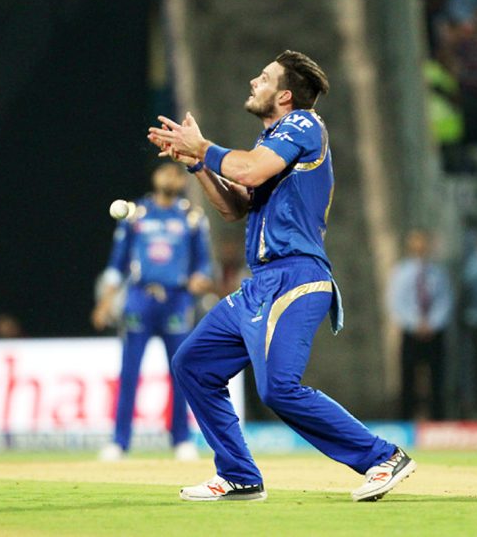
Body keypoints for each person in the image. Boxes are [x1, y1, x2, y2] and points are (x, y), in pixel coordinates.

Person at [147, 50, 415, 502]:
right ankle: (238, 475)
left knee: (278, 388)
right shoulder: (272, 141)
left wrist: (204, 147)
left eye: (265, 77)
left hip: (297, 277)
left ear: (285, 95)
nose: (254, 81)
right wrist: (197, 164)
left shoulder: (304, 125)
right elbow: (234, 207)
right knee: (194, 363)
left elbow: (248, 169)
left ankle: (382, 457)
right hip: (261, 284)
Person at [92, 162, 213, 462]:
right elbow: (116, 264)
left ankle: (181, 440)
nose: (170, 175)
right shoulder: (136, 215)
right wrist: (105, 302)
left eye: (176, 173)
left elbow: (204, 264)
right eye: (165, 171)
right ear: (154, 177)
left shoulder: (191, 217)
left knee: (181, 372)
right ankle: (119, 442)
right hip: (139, 299)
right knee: (129, 372)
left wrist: (201, 279)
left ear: (182, 182)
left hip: (176, 300)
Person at [387, 229, 452, 420]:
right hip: (411, 332)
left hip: (435, 332)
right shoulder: (401, 272)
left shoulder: (438, 273)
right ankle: (406, 419)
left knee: (437, 379)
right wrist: (415, 323)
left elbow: (445, 300)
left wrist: (432, 323)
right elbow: (397, 302)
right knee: (408, 379)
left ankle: (437, 420)